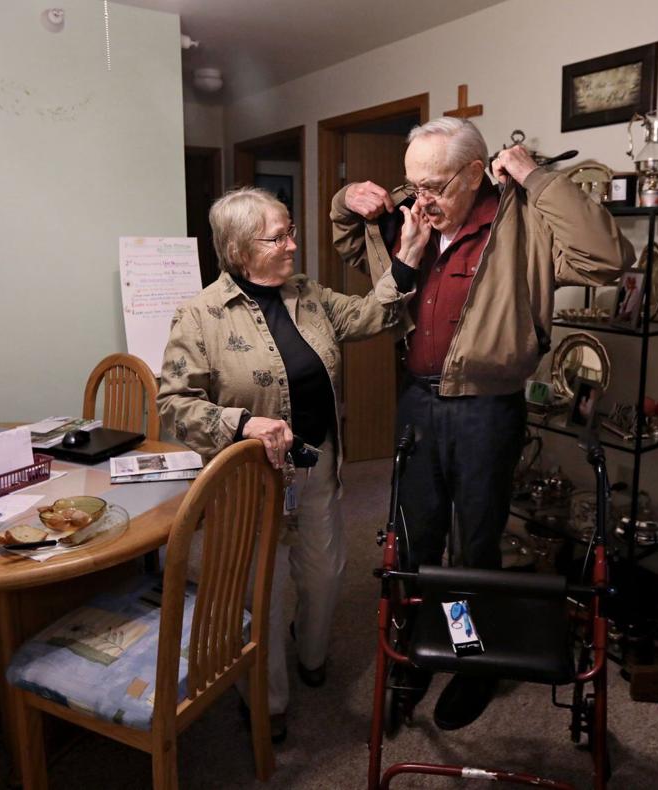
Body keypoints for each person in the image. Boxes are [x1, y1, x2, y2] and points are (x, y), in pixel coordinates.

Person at [332, 117, 632, 730]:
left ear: (476, 173)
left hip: (487, 408)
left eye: (436, 185)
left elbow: (608, 260)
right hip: (417, 401)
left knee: (473, 546)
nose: (421, 199)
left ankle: (471, 660)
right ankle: (417, 656)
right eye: (413, 183)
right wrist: (345, 200)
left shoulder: (522, 222)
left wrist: (535, 175)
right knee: (413, 539)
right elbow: (346, 240)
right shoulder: (407, 216)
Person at [158, 187, 412, 741]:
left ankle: (312, 649)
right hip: (248, 480)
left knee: (325, 576)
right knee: (261, 592)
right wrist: (241, 423)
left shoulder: (310, 295)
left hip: (314, 463)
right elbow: (173, 405)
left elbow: (374, 316)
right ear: (238, 247)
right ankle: (265, 701)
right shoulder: (199, 315)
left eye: (291, 230)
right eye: (279, 236)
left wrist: (407, 258)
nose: (294, 245)